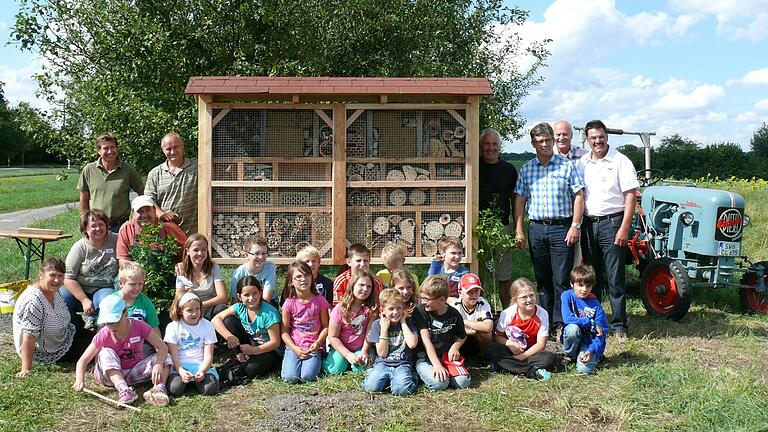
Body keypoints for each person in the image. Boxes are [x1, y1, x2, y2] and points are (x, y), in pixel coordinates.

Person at [514, 122, 585, 337]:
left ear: (553, 141)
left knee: (561, 279)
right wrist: (518, 228)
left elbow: (579, 196)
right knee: (542, 279)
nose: (544, 144)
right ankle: (543, 320)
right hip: (536, 228)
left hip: (561, 228)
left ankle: (560, 323)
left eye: (547, 140)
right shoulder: (527, 168)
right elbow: (519, 199)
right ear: (533, 143)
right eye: (539, 141)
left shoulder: (566, 166)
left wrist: (575, 225)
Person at [576, 119, 639, 341]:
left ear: (607, 137)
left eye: (601, 137)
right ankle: (595, 321)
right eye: (593, 138)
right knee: (592, 276)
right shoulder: (582, 162)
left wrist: (624, 228)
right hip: (588, 224)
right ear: (587, 139)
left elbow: (631, 196)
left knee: (615, 277)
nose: (597, 141)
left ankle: (619, 325)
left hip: (613, 223)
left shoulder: (620, 161)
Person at [73, 295, 172, 406]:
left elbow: (162, 347)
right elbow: (83, 360)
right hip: (108, 376)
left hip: (133, 372)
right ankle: (124, 390)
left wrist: (158, 365)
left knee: (166, 357)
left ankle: (158, 389)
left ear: (125, 314)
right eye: (108, 323)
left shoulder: (140, 326)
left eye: (115, 322)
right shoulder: (104, 333)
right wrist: (80, 380)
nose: (111, 327)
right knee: (105, 352)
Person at [13, 257, 83, 377]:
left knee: (99, 338)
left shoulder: (53, 291)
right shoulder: (33, 301)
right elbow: (29, 336)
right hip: (49, 351)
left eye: (60, 276)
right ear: (41, 275)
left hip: (64, 336)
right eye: (52, 275)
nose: (57, 280)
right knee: (98, 346)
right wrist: (26, 369)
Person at [485, 278, 559, 380]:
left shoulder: (542, 313)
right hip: (511, 351)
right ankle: (532, 371)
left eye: (531, 295)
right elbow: (498, 337)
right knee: (492, 349)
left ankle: (504, 366)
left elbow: (541, 344)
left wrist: (522, 356)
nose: (529, 300)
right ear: (516, 299)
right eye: (524, 297)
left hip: (531, 352)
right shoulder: (508, 313)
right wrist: (510, 344)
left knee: (550, 358)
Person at [478, 128, 518, 308]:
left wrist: (518, 229)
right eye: (487, 144)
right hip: (478, 228)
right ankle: (481, 313)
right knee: (479, 276)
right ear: (480, 146)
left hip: (501, 228)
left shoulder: (508, 170)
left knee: (504, 275)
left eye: (494, 144)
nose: (490, 148)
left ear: (499, 147)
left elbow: (516, 201)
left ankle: (507, 315)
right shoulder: (474, 167)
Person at [212, 276, 282, 379]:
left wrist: (254, 350)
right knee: (229, 320)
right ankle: (240, 355)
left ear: (260, 292)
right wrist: (229, 337)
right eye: (246, 295)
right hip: (252, 342)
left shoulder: (269, 313)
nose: (251, 298)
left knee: (251, 370)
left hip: (270, 350)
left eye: (254, 293)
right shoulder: (240, 307)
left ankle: (256, 361)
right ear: (239, 297)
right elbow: (215, 319)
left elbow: (275, 342)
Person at [61, 209, 118, 330]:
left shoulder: (116, 240)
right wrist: (84, 300)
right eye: (93, 226)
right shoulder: (79, 247)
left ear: (106, 225)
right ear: (85, 229)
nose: (98, 229)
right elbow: (68, 278)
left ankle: (101, 332)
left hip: (105, 286)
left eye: (101, 224)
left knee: (107, 302)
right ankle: (76, 329)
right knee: (61, 298)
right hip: (81, 288)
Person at [413, 276, 470, 390]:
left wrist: (455, 347)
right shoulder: (420, 311)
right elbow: (426, 340)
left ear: (442, 300)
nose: (423, 302)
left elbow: (462, 335)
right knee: (440, 384)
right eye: (422, 298)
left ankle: (445, 372)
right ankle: (418, 373)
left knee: (464, 382)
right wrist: (437, 365)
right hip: (426, 359)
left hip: (446, 358)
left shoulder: (454, 314)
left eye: (427, 299)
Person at [78, 133, 143, 233]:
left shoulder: (128, 170)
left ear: (117, 149)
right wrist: (84, 221)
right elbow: (84, 198)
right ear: (98, 150)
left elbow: (142, 194)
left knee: (120, 249)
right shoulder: (89, 170)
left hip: (120, 226)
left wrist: (137, 216)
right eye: (105, 148)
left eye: (113, 147)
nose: (110, 151)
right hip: (96, 226)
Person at [362, 288, 419, 396]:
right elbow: (382, 354)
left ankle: (411, 377)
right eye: (391, 309)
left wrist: (403, 323)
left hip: (403, 364)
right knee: (371, 388)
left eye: (399, 308)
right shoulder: (377, 325)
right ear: (382, 310)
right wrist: (384, 330)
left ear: (404, 308)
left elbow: (412, 344)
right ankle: (376, 374)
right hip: (383, 363)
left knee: (401, 391)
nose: (395, 312)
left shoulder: (409, 322)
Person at [281, 262, 330, 384]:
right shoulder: (289, 303)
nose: (303, 279)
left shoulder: (320, 301)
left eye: (306, 275)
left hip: (313, 347)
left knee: (307, 377)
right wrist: (295, 349)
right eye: (298, 277)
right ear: (291, 281)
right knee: (290, 378)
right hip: (294, 346)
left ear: (312, 277)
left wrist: (318, 343)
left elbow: (326, 326)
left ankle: (320, 360)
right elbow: (284, 331)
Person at [164, 291, 220, 397]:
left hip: (200, 366)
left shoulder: (207, 325)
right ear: (180, 311)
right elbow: (173, 355)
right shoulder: (172, 327)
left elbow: (208, 355)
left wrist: (203, 371)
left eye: (197, 309)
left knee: (211, 389)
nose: (194, 313)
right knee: (174, 389)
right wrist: (180, 370)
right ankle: (186, 382)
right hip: (180, 367)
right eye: (189, 310)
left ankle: (198, 382)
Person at [323, 269, 376, 375]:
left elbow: (369, 332)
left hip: (361, 346)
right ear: (352, 286)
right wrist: (347, 355)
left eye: (368, 286)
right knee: (334, 371)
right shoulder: (340, 309)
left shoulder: (372, 308)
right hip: (342, 347)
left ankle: (354, 361)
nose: (365, 289)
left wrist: (365, 351)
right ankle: (331, 360)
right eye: (361, 285)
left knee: (361, 368)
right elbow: (333, 337)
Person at [145, 132, 199, 235]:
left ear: (182, 147)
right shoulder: (155, 173)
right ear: (163, 150)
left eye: (176, 147)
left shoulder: (197, 166)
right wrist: (161, 214)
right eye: (168, 149)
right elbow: (149, 200)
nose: (173, 152)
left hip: (194, 232)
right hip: (166, 232)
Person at [561, 265, 608, 374]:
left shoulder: (596, 305)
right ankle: (570, 355)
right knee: (572, 329)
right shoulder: (566, 296)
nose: (584, 289)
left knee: (583, 370)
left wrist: (591, 351)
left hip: (590, 342)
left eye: (588, 286)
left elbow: (601, 333)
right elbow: (567, 318)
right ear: (572, 284)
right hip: (575, 336)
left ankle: (595, 355)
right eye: (580, 285)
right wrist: (590, 323)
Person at [116, 195, 186, 266]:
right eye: (140, 211)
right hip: (137, 272)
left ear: (154, 211)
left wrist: (180, 265)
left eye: (148, 210)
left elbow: (188, 251)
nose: (144, 215)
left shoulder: (168, 227)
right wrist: (142, 268)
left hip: (167, 271)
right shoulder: (127, 228)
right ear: (133, 214)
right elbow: (123, 261)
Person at [176, 234, 228, 321]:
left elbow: (223, 298)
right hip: (191, 313)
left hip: (211, 312)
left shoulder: (214, 267)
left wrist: (199, 305)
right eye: (196, 250)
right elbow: (179, 299)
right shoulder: (181, 270)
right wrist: (193, 308)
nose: (200, 253)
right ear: (188, 251)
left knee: (221, 308)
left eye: (203, 249)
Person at [111, 263, 161, 340]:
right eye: (132, 284)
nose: (137, 288)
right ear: (121, 283)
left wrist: (159, 348)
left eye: (140, 284)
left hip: (139, 341)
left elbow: (154, 328)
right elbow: (101, 329)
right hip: (117, 341)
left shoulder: (146, 302)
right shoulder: (110, 301)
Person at [448, 273, 493, 357]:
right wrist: (473, 329)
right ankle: (454, 355)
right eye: (469, 292)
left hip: (476, 338)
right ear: (460, 292)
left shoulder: (483, 303)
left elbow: (488, 326)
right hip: (460, 339)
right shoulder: (454, 305)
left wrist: (464, 322)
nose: (474, 295)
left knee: (486, 333)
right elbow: (450, 329)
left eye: (477, 291)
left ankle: (485, 355)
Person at [230, 236, 277, 303]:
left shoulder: (270, 268)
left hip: (267, 303)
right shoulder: (238, 273)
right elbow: (235, 299)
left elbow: (267, 298)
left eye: (264, 253)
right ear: (246, 255)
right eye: (256, 253)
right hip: (246, 303)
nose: (261, 257)